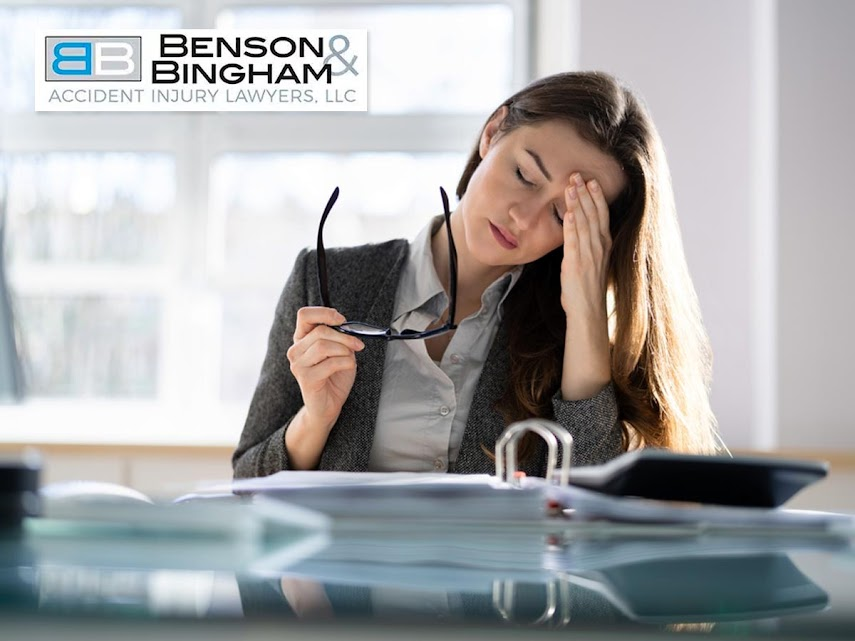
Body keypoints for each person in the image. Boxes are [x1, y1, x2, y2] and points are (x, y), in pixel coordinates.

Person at [233, 71, 720, 480]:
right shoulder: (331, 280)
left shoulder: (577, 342)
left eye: (562, 216)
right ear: (492, 133)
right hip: (333, 593)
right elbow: (246, 482)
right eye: (525, 176)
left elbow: (591, 519)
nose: (523, 217)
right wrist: (315, 419)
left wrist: (588, 314)